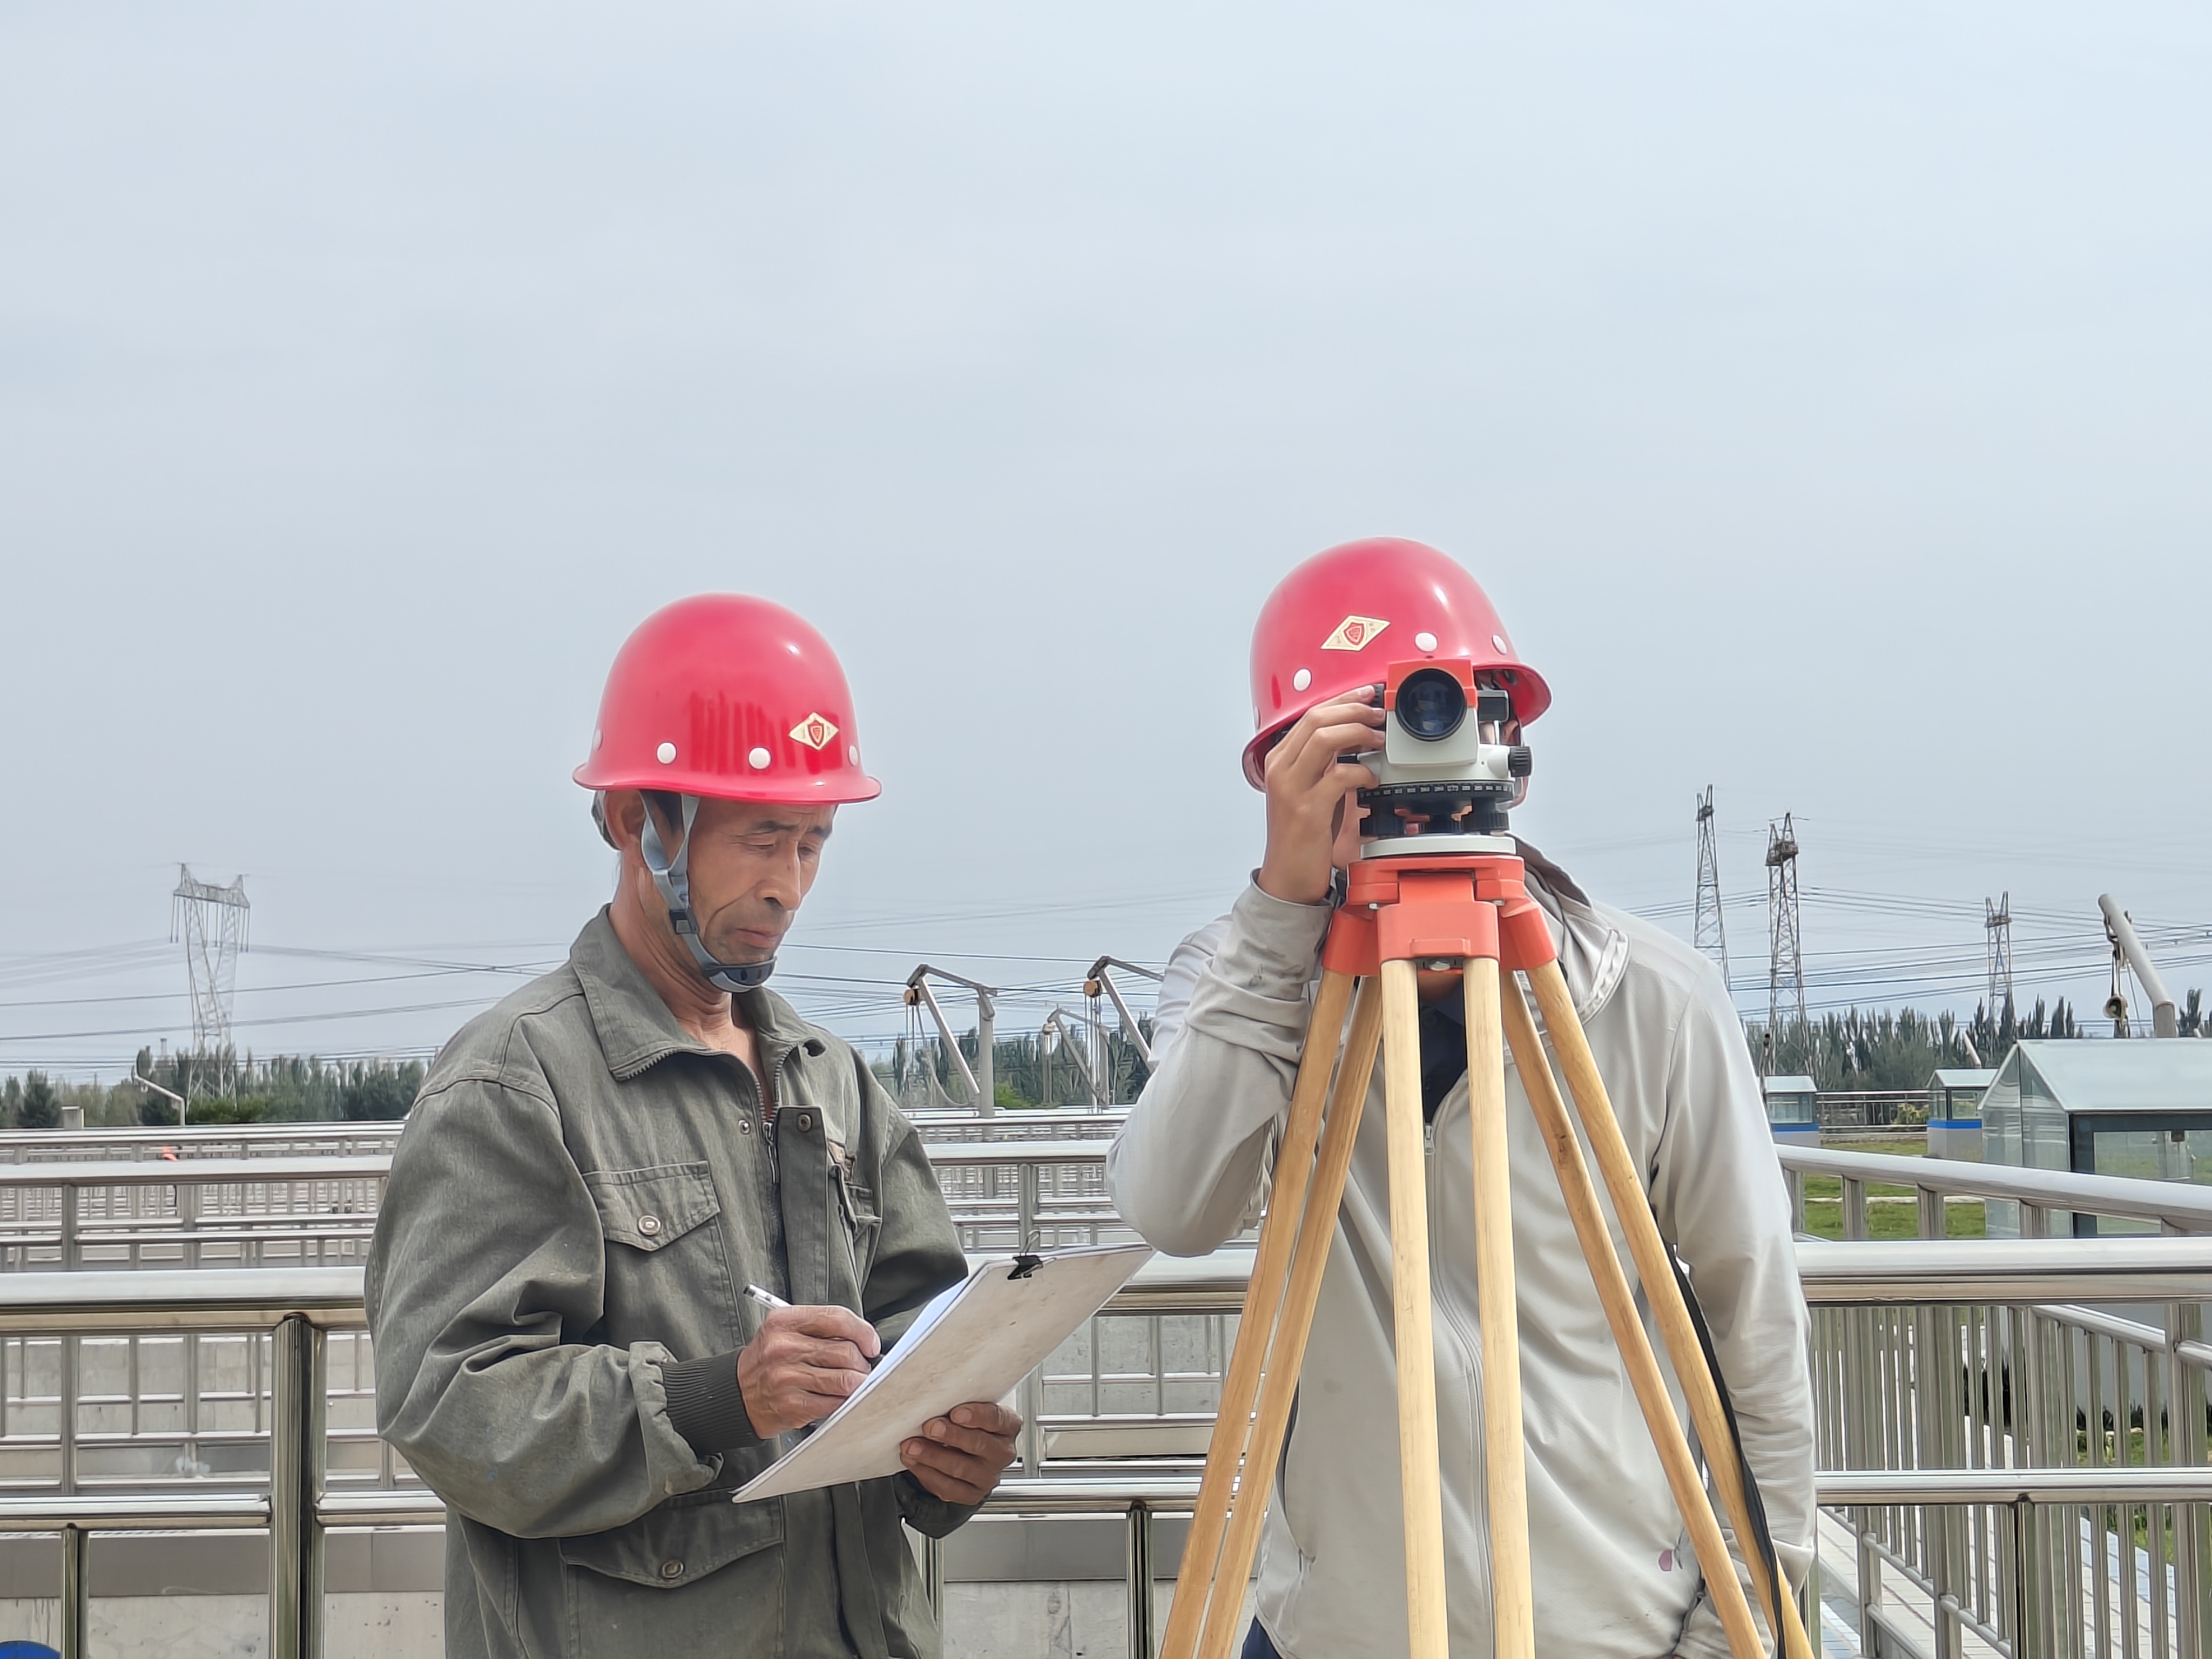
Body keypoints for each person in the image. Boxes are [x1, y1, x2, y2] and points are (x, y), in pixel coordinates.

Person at [1106, 538, 1815, 1659]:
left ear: (1510, 747)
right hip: (1337, 1632)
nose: (1409, 759)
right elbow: (1170, 1209)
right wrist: (1279, 914)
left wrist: (1745, 1624)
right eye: (1361, 733)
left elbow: (1753, 1326)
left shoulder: (1651, 998)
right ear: (1283, 772)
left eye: (1443, 716)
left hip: (1612, 1630)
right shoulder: (1240, 985)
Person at [367, 595, 1021, 1659]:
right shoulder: (515, 1084)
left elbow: (919, 1331)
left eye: (813, 842)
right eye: (762, 839)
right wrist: (711, 1398)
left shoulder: (831, 1080)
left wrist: (946, 1454)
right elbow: (449, 1408)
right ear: (641, 821)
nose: (789, 886)